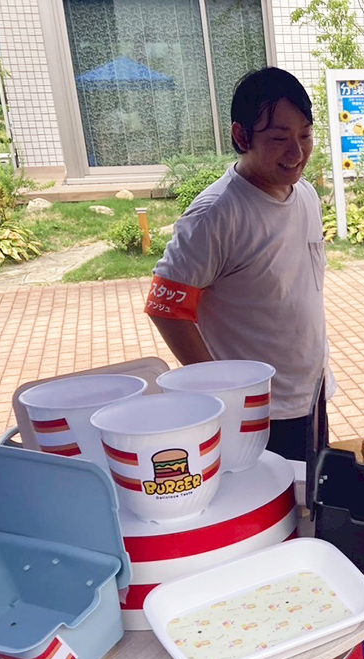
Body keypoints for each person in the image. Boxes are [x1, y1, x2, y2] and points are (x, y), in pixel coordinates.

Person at [145, 67, 328, 462]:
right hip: (254, 415)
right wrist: (221, 391)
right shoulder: (216, 213)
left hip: (310, 396)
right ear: (241, 136)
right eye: (280, 138)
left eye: (305, 135)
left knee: (313, 507)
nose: (297, 152)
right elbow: (165, 306)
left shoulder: (306, 195)